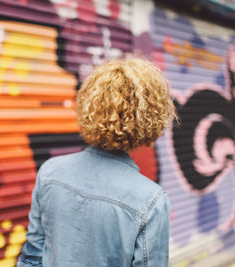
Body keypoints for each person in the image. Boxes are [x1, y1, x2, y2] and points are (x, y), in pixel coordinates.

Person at [17, 56, 177, 267]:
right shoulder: (151, 200)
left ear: (89, 106)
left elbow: (32, 257)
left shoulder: (50, 172)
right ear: (150, 117)